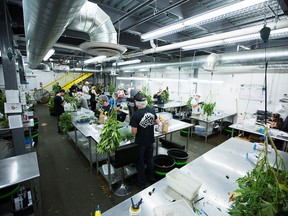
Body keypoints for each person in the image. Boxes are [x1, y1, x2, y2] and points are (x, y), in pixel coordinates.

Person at [130, 92, 160, 189]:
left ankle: (142, 183)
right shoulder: (151, 109)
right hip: (150, 140)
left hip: (140, 142)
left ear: (136, 103)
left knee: (140, 162)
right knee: (150, 159)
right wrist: (149, 125)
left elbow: (134, 132)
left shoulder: (136, 115)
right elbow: (157, 121)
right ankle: (151, 178)